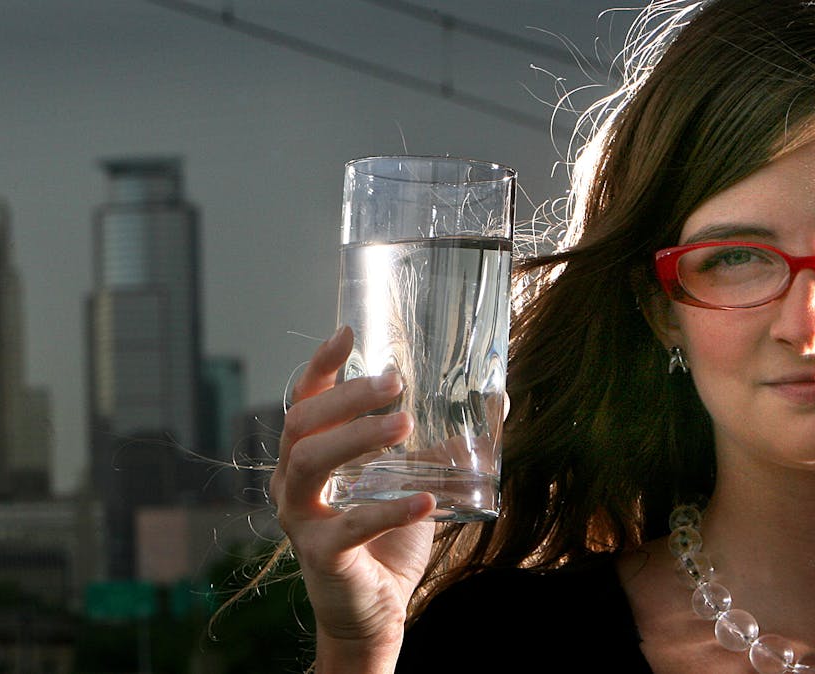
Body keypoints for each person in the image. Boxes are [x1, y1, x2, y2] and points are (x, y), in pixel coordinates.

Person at [269, 0, 815, 671]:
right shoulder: (504, 644)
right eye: (734, 258)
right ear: (660, 308)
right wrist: (360, 651)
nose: (804, 326)